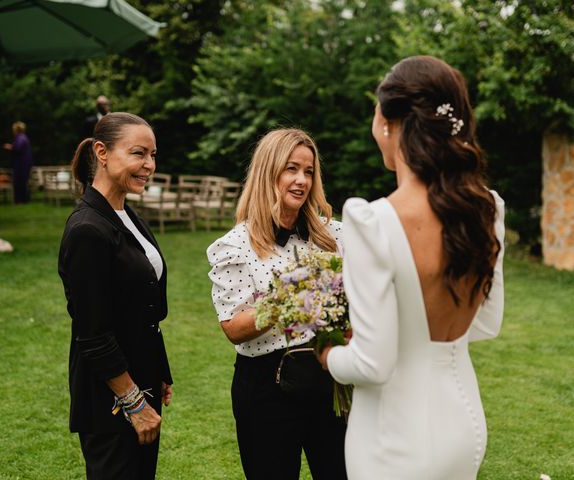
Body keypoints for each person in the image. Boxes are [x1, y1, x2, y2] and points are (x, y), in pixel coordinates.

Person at [318, 55, 506, 479]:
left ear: (387, 121)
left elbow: (372, 364)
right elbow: (486, 323)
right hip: (464, 423)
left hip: (394, 433)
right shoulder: (487, 209)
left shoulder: (373, 220)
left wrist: (327, 354)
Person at [207, 128, 347, 480]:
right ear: (268, 173)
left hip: (330, 381)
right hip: (266, 388)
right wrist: (289, 298)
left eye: (309, 171)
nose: (301, 180)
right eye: (291, 169)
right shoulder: (235, 246)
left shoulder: (334, 236)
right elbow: (234, 328)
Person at [58, 112, 173, 480]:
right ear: (102, 152)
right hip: (110, 396)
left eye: (153, 155)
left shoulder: (127, 214)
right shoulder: (87, 230)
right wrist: (133, 402)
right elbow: (92, 332)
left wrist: (160, 372)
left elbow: (144, 309)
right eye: (139, 153)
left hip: (142, 380)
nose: (149, 165)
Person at [2, 121, 33, 203]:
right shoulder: (23, 137)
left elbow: (17, 149)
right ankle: (23, 199)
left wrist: (10, 147)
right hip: (24, 163)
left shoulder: (21, 138)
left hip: (21, 164)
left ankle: (20, 200)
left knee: (20, 182)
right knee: (23, 182)